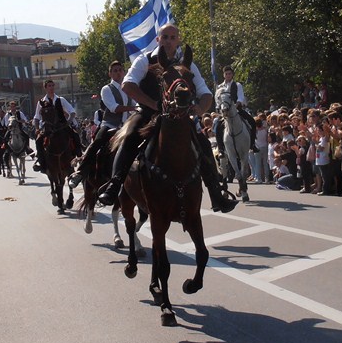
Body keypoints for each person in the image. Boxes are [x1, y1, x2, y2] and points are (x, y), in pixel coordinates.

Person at [97, 23, 237, 213]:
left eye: (173, 37)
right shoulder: (145, 60)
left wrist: (199, 109)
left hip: (178, 117)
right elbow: (128, 85)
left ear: (178, 40)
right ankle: (114, 185)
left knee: (203, 144)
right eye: (165, 37)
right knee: (129, 136)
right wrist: (152, 104)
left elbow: (205, 93)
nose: (169, 41)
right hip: (148, 113)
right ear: (158, 40)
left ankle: (216, 193)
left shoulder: (187, 64)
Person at [69, 61, 136, 189]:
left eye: (120, 70)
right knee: (97, 142)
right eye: (114, 70)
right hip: (110, 124)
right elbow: (114, 108)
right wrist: (134, 107)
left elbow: (135, 104)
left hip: (126, 125)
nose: (118, 72)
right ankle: (81, 172)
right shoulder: (106, 89)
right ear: (110, 74)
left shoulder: (128, 88)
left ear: (123, 72)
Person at [32, 79, 81, 172]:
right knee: (39, 140)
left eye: (52, 85)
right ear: (45, 88)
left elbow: (72, 112)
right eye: (49, 86)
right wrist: (37, 128)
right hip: (47, 127)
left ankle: (79, 155)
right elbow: (37, 117)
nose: (51, 88)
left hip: (61, 126)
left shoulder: (60, 99)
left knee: (75, 135)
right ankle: (41, 162)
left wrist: (68, 121)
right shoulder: (41, 101)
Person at [215, 65, 258, 155]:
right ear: (224, 75)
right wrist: (220, 108)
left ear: (232, 74)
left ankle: (252, 144)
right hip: (224, 111)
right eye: (226, 74)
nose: (228, 75)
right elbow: (217, 99)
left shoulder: (237, 85)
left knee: (252, 122)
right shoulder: (219, 87)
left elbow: (240, 97)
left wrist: (236, 105)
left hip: (236, 109)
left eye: (229, 74)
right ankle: (221, 149)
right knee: (218, 126)